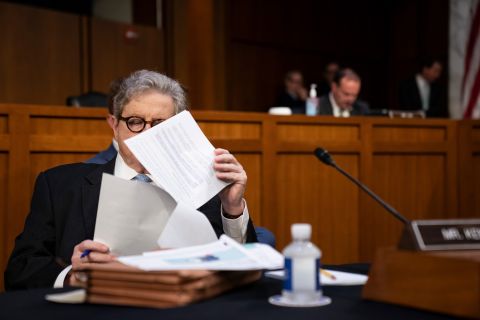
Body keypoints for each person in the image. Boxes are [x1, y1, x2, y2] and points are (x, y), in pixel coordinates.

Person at [4, 70, 257, 290]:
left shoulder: (205, 186)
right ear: (114, 125)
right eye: (135, 122)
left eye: (159, 123)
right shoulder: (58, 185)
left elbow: (246, 271)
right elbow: (20, 270)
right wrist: (74, 276)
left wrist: (233, 209)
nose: (147, 133)